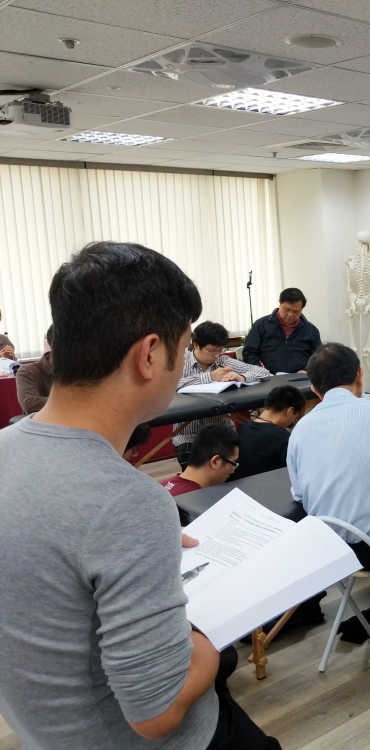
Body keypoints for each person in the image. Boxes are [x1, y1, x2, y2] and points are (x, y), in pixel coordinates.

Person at [0, 241, 279, 749]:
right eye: (184, 347)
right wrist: (213, 636)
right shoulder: (127, 502)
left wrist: (138, 555)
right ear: (149, 354)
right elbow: (158, 710)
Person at [288, 343, 370, 618]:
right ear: (360, 375)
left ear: (314, 389)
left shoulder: (299, 429)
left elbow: (299, 495)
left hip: (332, 551)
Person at [173, 321, 270, 469]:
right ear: (196, 345)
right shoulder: (180, 361)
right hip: (189, 434)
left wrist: (241, 377)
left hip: (222, 430)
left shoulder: (223, 361)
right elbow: (169, 385)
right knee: (195, 473)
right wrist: (209, 377)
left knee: (236, 469)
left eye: (221, 350)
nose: (217, 355)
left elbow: (263, 372)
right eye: (212, 351)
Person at [161, 425, 242, 526]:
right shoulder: (197, 504)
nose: (232, 471)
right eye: (233, 463)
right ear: (215, 462)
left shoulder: (164, 485)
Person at [230, 384, 305, 481]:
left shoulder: (242, 429)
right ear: (289, 411)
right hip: (270, 486)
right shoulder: (284, 439)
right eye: (295, 416)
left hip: (240, 485)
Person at [243, 288, 322, 375]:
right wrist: (257, 367)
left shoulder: (311, 330)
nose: (290, 314)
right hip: (266, 376)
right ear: (280, 303)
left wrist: (306, 370)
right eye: (287, 309)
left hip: (299, 377)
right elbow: (249, 352)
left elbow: (318, 356)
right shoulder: (261, 325)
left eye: (296, 311)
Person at [15, 325, 53, 413]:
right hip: (45, 420)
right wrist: (70, 401)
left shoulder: (79, 369)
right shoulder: (28, 371)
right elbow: (30, 404)